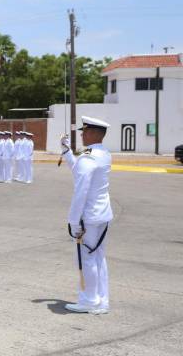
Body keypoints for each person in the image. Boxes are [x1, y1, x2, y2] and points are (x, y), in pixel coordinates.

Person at [61, 116, 112, 315]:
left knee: (87, 258)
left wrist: (73, 221)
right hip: (103, 214)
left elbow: (80, 190)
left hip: (89, 216)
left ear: (91, 133)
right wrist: (67, 152)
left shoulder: (87, 157)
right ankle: (101, 300)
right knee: (98, 257)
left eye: (84, 131)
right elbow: (78, 171)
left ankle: (89, 300)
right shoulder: (103, 153)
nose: (81, 134)